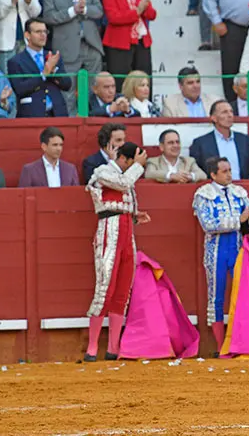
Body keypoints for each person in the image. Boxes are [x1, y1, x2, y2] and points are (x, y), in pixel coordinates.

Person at [81, 141, 150, 361]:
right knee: (105, 289)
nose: (135, 167)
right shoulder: (102, 171)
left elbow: (122, 198)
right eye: (133, 162)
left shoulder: (122, 174)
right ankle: (92, 347)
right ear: (124, 159)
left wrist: (135, 215)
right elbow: (122, 184)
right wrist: (137, 167)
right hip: (108, 233)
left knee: (122, 291)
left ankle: (113, 347)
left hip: (127, 233)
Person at [191, 155, 249, 353]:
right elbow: (208, 225)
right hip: (216, 253)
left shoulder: (239, 192)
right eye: (224, 171)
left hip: (238, 250)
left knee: (243, 295)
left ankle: (243, 342)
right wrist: (240, 219)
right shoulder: (203, 194)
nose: (229, 175)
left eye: (230, 170)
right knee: (216, 298)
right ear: (213, 174)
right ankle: (221, 346)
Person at [39, 0, 103, 104]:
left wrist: (84, 9)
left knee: (95, 91)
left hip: (91, 45)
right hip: (66, 47)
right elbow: (49, 17)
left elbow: (99, 11)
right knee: (67, 94)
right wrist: (72, 11)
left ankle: (94, 116)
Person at [6, 19, 70, 118]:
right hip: (32, 115)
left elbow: (67, 85)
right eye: (38, 32)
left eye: (45, 31)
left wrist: (54, 71)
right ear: (27, 35)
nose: (43, 35)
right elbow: (20, 89)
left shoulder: (53, 57)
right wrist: (43, 75)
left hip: (57, 114)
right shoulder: (16, 61)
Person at [190, 100, 249, 180]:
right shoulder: (201, 143)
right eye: (224, 112)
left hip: (242, 186)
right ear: (214, 118)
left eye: (231, 111)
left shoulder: (245, 140)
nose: (230, 115)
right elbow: (199, 173)